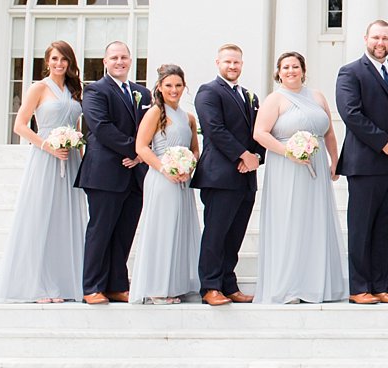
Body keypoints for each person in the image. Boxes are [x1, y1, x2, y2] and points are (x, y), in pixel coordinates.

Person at [0, 40, 86, 303]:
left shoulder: (73, 89)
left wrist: (77, 152)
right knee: (40, 217)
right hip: (45, 158)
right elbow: (20, 126)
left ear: (70, 62)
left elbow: (77, 124)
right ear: (47, 61)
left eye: (64, 59)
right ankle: (38, 285)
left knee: (65, 220)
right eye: (55, 59)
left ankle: (63, 284)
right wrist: (48, 146)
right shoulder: (38, 88)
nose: (59, 64)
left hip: (70, 160)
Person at [252, 52, 346, 304]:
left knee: (315, 221)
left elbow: (328, 133)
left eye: (295, 66)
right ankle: (290, 287)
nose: (291, 71)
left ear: (303, 70)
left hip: (315, 166)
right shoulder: (275, 99)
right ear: (278, 72)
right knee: (290, 221)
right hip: (286, 166)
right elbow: (260, 133)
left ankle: (316, 284)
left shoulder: (317, 96)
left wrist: (335, 161)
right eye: (286, 67)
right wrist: (288, 152)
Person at [335, 20, 388, 305]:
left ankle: (381, 285)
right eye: (376, 37)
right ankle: (359, 288)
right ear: (366, 38)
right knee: (361, 227)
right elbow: (351, 113)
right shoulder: (350, 72)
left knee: (387, 228)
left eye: (386, 38)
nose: (381, 43)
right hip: (365, 164)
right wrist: (383, 142)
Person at [74, 40, 150, 305]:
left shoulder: (144, 93)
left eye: (124, 57)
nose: (120, 61)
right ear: (105, 62)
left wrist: (142, 154)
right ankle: (92, 286)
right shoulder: (95, 90)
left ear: (131, 61)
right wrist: (135, 150)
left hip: (135, 174)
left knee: (124, 232)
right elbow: (101, 127)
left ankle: (117, 284)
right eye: (114, 57)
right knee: (101, 230)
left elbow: (150, 127)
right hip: (105, 172)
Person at [192, 44, 263, 307]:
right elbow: (214, 128)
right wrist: (242, 155)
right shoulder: (208, 91)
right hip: (220, 176)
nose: (232, 66)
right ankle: (210, 286)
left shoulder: (248, 96)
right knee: (216, 233)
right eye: (228, 62)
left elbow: (259, 131)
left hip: (246, 177)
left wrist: (256, 157)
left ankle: (228, 284)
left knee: (235, 235)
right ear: (218, 63)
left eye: (237, 62)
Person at [130, 64, 202, 305]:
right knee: (162, 231)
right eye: (169, 85)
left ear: (184, 87)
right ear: (159, 87)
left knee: (179, 230)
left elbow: (194, 149)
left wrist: (187, 167)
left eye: (178, 85)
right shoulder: (153, 113)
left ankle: (174, 284)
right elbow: (141, 147)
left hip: (182, 180)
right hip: (161, 179)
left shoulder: (189, 117)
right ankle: (156, 288)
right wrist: (165, 169)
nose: (174, 90)